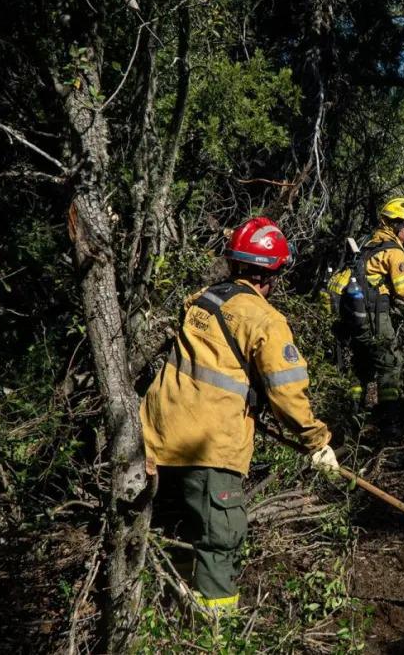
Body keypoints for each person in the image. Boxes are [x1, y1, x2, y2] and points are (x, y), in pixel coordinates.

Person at [141, 216, 339, 616]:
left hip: (158, 438)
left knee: (175, 533)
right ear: (274, 272)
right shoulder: (265, 320)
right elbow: (287, 393)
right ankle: (216, 630)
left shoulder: (204, 299)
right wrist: (316, 442)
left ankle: (165, 616)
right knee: (219, 539)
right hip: (211, 448)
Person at [328, 198, 404, 414]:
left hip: (356, 312)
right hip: (375, 314)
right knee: (390, 361)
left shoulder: (369, 242)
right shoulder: (394, 252)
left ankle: (352, 413)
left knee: (361, 363)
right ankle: (388, 417)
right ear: (395, 224)